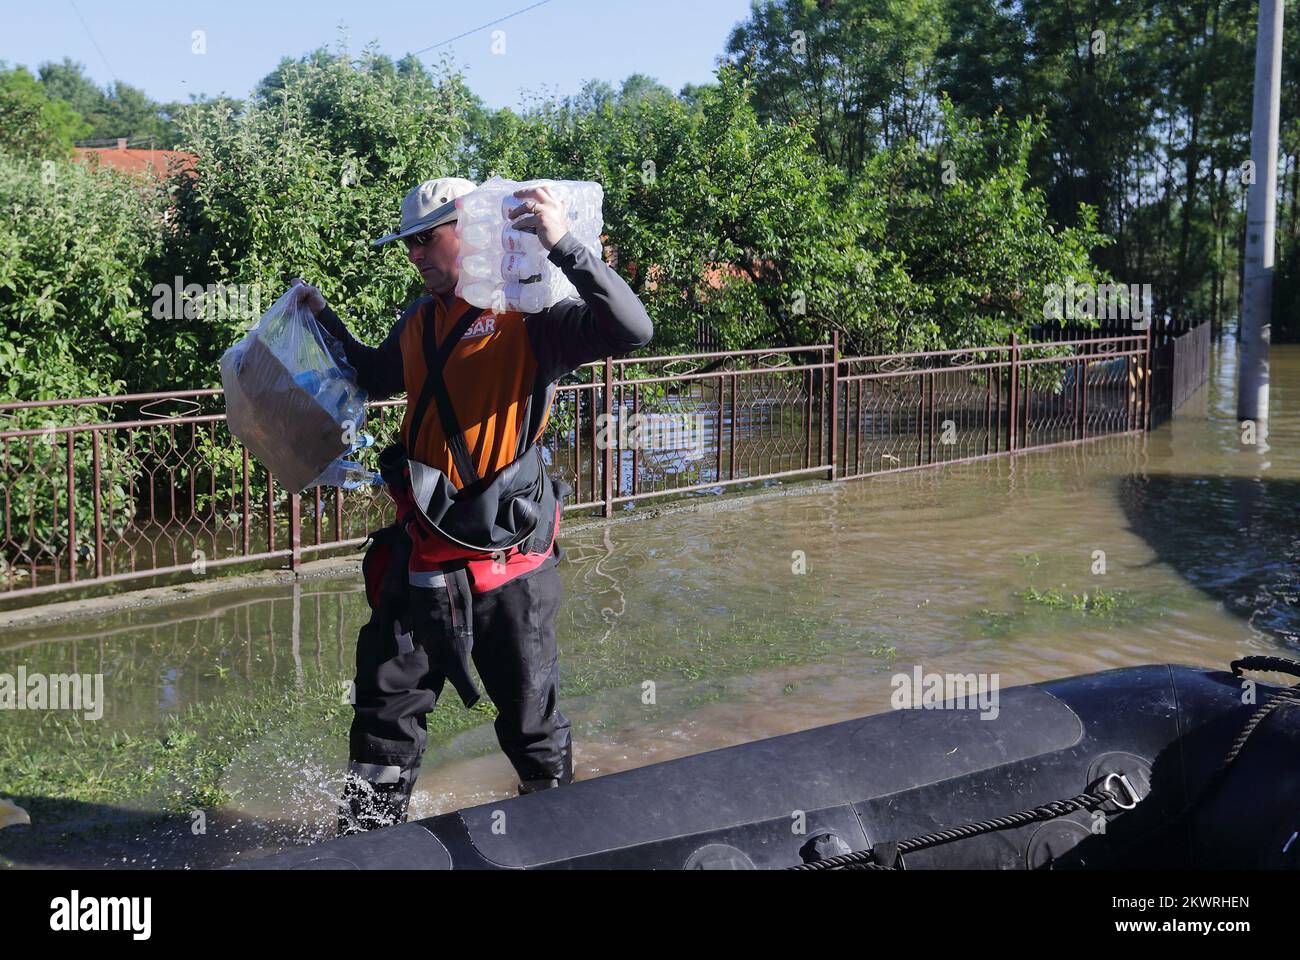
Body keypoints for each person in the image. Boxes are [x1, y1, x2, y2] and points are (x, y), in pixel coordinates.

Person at [290, 176, 652, 833]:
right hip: (423, 558)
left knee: (529, 723)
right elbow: (375, 376)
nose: (415, 254)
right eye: (408, 244)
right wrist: (323, 319)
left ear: (475, 230)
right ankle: (369, 840)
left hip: (505, 566)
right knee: (384, 710)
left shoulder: (528, 318)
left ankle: (555, 834)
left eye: (427, 239)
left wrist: (563, 242)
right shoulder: (420, 318)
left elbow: (631, 328)